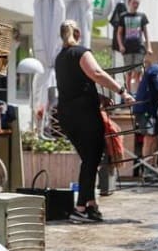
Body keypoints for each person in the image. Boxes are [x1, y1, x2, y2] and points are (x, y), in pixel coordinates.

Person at [54, 20, 134, 223]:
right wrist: (122, 91)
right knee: (91, 160)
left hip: (67, 115)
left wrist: (98, 97)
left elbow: (73, 86)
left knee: (89, 160)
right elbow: (97, 73)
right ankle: (80, 207)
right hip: (85, 115)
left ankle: (90, 205)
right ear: (78, 33)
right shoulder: (81, 52)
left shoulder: (60, 57)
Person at [116, 0, 153, 94]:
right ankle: (128, 93)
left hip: (139, 48)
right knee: (128, 73)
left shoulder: (142, 16)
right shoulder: (123, 16)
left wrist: (148, 46)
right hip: (127, 48)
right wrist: (121, 45)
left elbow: (145, 32)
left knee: (138, 72)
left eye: (137, 3)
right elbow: (119, 33)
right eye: (134, 3)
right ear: (129, 3)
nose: (136, 5)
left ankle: (138, 93)